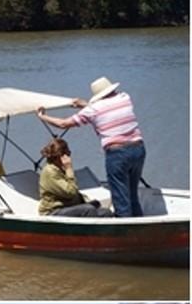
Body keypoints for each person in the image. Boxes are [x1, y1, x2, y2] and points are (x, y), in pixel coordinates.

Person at [36, 76, 145, 217]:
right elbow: (104, 109)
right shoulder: (125, 98)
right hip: (139, 150)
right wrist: (85, 105)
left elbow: (63, 123)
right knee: (132, 195)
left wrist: (43, 117)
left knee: (121, 197)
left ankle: (123, 232)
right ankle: (138, 228)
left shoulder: (93, 109)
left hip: (118, 153)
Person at [38, 138, 113, 218]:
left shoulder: (59, 169)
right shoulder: (50, 172)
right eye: (68, 154)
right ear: (60, 156)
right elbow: (70, 192)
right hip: (54, 211)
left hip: (68, 207)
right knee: (88, 209)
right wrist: (69, 169)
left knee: (106, 212)